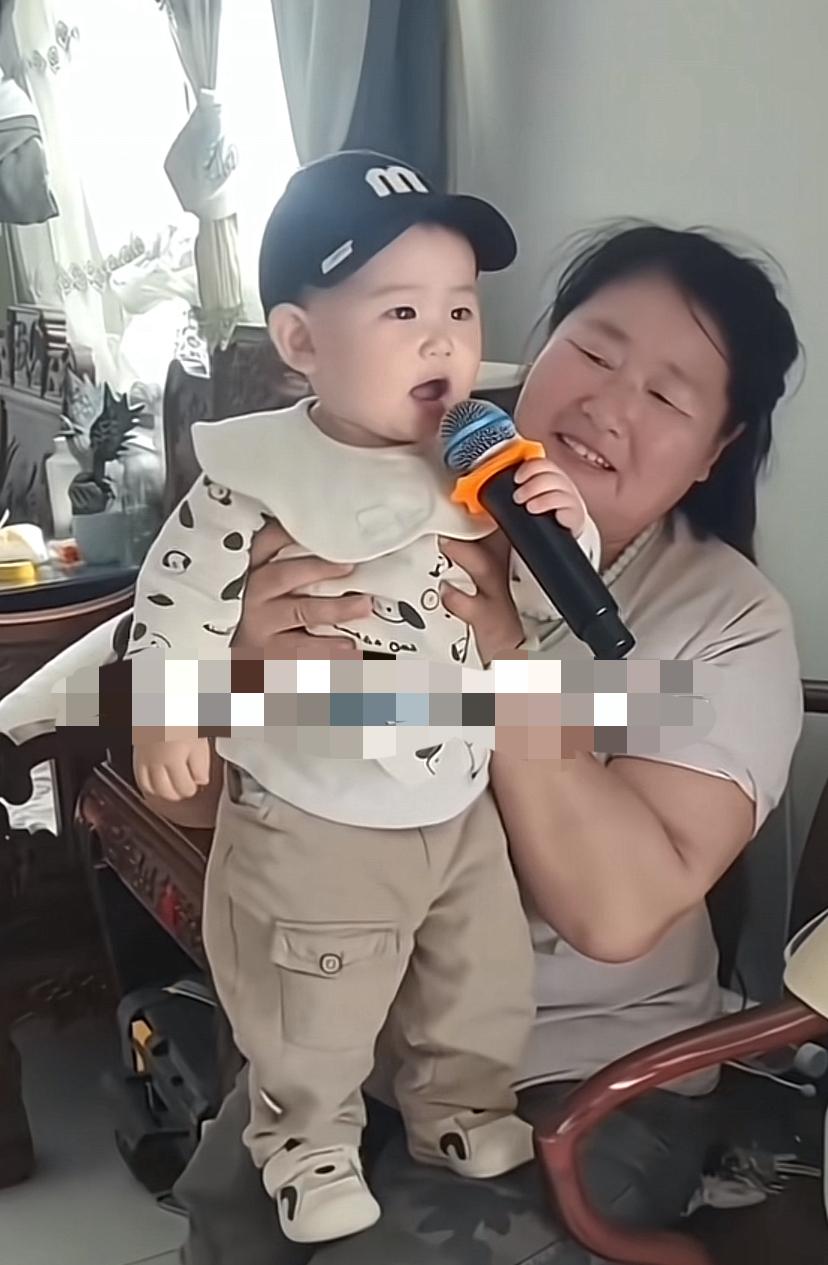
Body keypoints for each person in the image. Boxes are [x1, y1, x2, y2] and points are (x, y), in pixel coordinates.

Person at [148, 221, 804, 1265]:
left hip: (579, 1077)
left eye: (667, 395)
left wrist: (504, 656)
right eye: (592, 351)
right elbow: (189, 800)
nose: (607, 405)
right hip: (347, 1033)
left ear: (715, 450)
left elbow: (615, 910)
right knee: (226, 1226)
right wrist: (247, 683)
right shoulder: (342, 503)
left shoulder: (726, 624)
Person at [127, 149, 602, 1244]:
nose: (443, 340)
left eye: (460, 308)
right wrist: (168, 707)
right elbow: (177, 596)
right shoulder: (256, 479)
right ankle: (303, 1138)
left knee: (478, 973)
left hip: (459, 793)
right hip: (314, 807)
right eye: (401, 311)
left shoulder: (483, 467)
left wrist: (560, 523)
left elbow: (541, 615)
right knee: (314, 998)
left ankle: (460, 1106)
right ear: (302, 342)